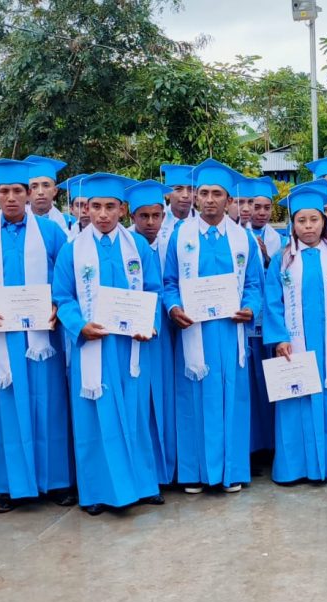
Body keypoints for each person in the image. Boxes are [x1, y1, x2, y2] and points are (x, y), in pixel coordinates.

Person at [0, 159, 75, 513]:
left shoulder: (51, 232)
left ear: (29, 194)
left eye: (17, 191)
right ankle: (13, 487)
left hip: (44, 337)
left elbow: (66, 279)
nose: (11, 197)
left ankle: (56, 481)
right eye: (4, 192)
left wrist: (59, 306)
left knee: (50, 405)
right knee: (8, 410)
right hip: (3, 336)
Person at [53, 173, 164, 514]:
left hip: (130, 347)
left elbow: (154, 290)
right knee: (94, 420)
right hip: (93, 346)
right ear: (85, 209)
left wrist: (150, 323)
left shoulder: (139, 247)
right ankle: (98, 491)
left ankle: (143, 485)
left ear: (122, 209)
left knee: (135, 414)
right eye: (95, 206)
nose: (102, 214)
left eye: (110, 207)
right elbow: (62, 297)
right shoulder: (72, 250)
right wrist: (80, 326)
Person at [161, 158, 264, 494]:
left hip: (229, 332)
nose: (207, 199)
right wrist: (174, 307)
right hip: (194, 331)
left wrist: (250, 308)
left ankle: (231, 471)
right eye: (202, 192)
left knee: (232, 399)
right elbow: (169, 281)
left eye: (216, 193)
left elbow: (253, 285)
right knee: (193, 399)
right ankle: (194, 473)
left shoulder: (243, 239)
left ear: (228, 200)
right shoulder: (180, 236)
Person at [263, 182, 327, 484]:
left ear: (324, 219)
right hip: (295, 344)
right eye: (301, 220)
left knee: (326, 398)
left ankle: (324, 465)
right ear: (292, 224)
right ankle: (293, 468)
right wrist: (280, 337)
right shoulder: (283, 259)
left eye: (314, 220)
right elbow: (272, 302)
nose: (308, 227)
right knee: (295, 399)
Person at [127, 178, 179, 485]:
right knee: (139, 402)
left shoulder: (174, 242)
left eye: (156, 215)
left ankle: (166, 469)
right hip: (132, 335)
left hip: (166, 331)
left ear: (164, 215)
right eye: (143, 216)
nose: (150, 222)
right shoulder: (125, 245)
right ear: (131, 216)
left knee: (164, 398)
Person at [236, 178, 282, 462]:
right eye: (255, 205)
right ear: (246, 206)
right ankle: (250, 444)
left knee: (268, 381)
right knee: (248, 385)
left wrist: (266, 258)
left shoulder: (281, 240)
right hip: (242, 319)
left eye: (266, 207)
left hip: (269, 320)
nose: (261, 212)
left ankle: (270, 443)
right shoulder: (236, 237)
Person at [24, 155, 72, 235]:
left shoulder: (71, 223)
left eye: (46, 185)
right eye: (34, 186)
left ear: (55, 191)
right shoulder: (16, 222)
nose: (40, 192)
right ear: (27, 192)